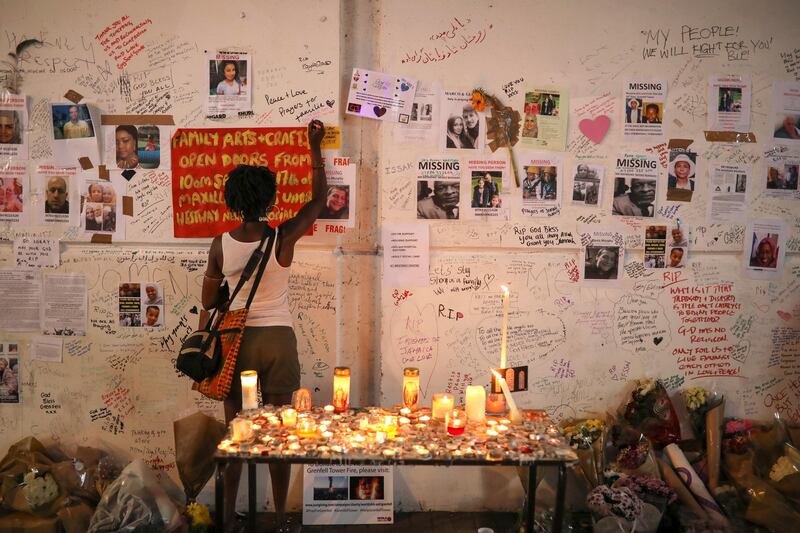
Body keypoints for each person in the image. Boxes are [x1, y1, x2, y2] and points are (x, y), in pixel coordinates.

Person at [202, 119, 326, 531]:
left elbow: (208, 301)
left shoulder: (220, 244)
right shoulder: (283, 237)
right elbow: (319, 201)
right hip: (278, 342)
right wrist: (314, 148)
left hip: (234, 344)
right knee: (277, 435)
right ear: (271, 198)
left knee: (235, 434)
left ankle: (225, 516)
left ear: (232, 200)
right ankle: (280, 517)